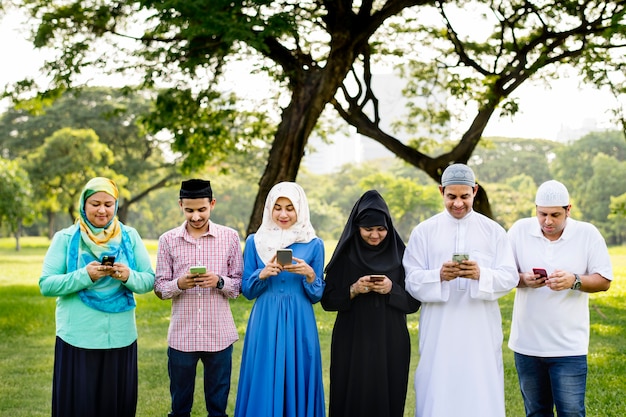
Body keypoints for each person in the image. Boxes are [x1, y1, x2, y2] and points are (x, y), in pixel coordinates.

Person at [402, 163, 519, 417]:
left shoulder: (493, 231)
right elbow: (410, 279)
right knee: (437, 388)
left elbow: (509, 276)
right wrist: (439, 276)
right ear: (441, 191)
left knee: (480, 389)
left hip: (481, 330)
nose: (458, 203)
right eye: (451, 196)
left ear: (475, 191)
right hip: (439, 330)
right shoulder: (424, 232)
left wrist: (481, 275)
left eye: (464, 196)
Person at [39, 177, 155, 417]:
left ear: (115, 205)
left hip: (120, 338)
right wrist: (85, 275)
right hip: (78, 338)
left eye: (108, 204)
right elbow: (46, 285)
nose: (102, 210)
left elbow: (149, 280)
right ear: (84, 204)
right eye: (95, 203)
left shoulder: (130, 236)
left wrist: (127, 275)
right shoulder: (66, 237)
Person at [507, 180, 613, 417]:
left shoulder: (587, 234)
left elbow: (604, 280)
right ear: (535, 209)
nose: (548, 221)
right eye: (542, 214)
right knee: (536, 412)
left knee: (572, 412)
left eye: (555, 214)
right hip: (527, 345)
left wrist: (574, 280)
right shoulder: (518, 231)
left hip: (569, 346)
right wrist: (523, 279)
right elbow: (502, 275)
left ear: (568, 209)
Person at [321, 189, 421, 417]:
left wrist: (391, 289)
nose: (375, 235)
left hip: (390, 339)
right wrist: (353, 290)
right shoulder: (345, 256)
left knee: (389, 394)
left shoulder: (402, 255)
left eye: (381, 229)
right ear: (357, 227)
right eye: (368, 229)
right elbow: (327, 301)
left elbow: (414, 303)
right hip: (352, 339)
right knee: (350, 394)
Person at [234, 182, 326, 417]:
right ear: (269, 209)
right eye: (277, 207)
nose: (283, 214)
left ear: (300, 209)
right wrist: (261, 274)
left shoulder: (314, 244)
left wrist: (311, 275)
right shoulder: (255, 241)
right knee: (264, 372)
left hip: (300, 319)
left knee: (299, 371)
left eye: (290, 208)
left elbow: (317, 295)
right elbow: (247, 290)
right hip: (265, 319)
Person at [154, 179, 243, 417]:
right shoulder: (167, 240)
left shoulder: (230, 237)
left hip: (219, 335)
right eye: (189, 210)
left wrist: (219, 282)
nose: (195, 216)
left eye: (202, 209)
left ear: (212, 204)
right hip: (182, 336)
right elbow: (160, 288)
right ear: (180, 205)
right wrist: (179, 284)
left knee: (217, 407)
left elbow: (238, 286)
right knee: (180, 406)